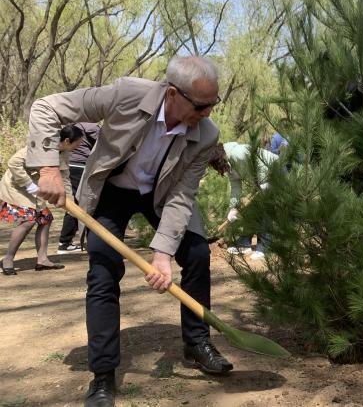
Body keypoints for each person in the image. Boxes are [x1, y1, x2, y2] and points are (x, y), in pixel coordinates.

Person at [26, 56, 231, 407]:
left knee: (196, 254)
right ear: (172, 94)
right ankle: (103, 374)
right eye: (201, 105)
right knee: (104, 269)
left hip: (163, 195)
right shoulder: (125, 94)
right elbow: (46, 107)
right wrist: (48, 168)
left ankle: (196, 343)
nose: (208, 113)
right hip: (112, 190)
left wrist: (163, 254)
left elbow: (182, 196)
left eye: (213, 103)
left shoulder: (206, 134)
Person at [1, 124, 84, 275]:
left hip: (36, 188)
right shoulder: (43, 146)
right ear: (67, 141)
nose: (79, 146)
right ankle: (7, 259)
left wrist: (69, 202)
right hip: (16, 186)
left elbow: (64, 177)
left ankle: (42, 260)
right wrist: (28, 185)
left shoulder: (64, 153)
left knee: (45, 218)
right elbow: (13, 163)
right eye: (78, 143)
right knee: (29, 220)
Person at [221, 141, 279, 260]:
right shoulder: (228, 166)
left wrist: (264, 182)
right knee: (249, 208)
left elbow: (259, 161)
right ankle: (245, 242)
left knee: (266, 209)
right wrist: (233, 208)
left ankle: (265, 245)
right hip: (260, 181)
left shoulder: (239, 153)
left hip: (275, 170)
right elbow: (236, 187)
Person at [57, 122, 100, 253]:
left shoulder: (73, 125)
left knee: (75, 201)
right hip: (80, 167)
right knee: (82, 202)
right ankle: (65, 242)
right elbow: (105, 143)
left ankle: (65, 241)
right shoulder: (91, 126)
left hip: (72, 166)